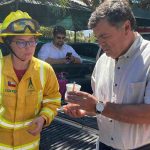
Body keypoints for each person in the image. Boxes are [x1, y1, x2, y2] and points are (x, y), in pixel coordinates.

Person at [63, 0, 150, 150]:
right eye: (97, 38)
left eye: (105, 36)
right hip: (103, 145)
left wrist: (97, 106)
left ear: (126, 27)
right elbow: (98, 106)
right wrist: (84, 109)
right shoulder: (102, 61)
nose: (100, 44)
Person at [0, 10, 61, 149]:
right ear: (8, 43)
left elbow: (53, 100)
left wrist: (43, 118)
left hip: (30, 145)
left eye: (32, 41)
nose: (28, 47)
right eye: (21, 42)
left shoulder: (45, 70)